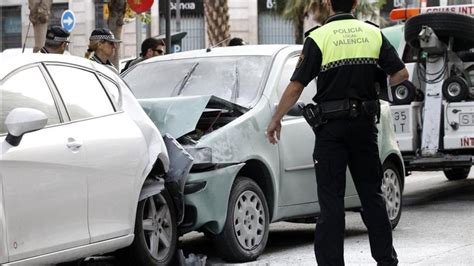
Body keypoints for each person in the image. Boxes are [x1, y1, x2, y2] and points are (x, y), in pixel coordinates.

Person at [266, 0, 409, 265]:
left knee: (331, 203)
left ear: (329, 3)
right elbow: (401, 73)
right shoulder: (372, 33)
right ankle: (386, 261)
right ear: (355, 3)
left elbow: (296, 87)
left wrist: (276, 119)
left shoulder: (318, 37)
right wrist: (376, 83)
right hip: (364, 128)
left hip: (331, 130)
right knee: (372, 197)